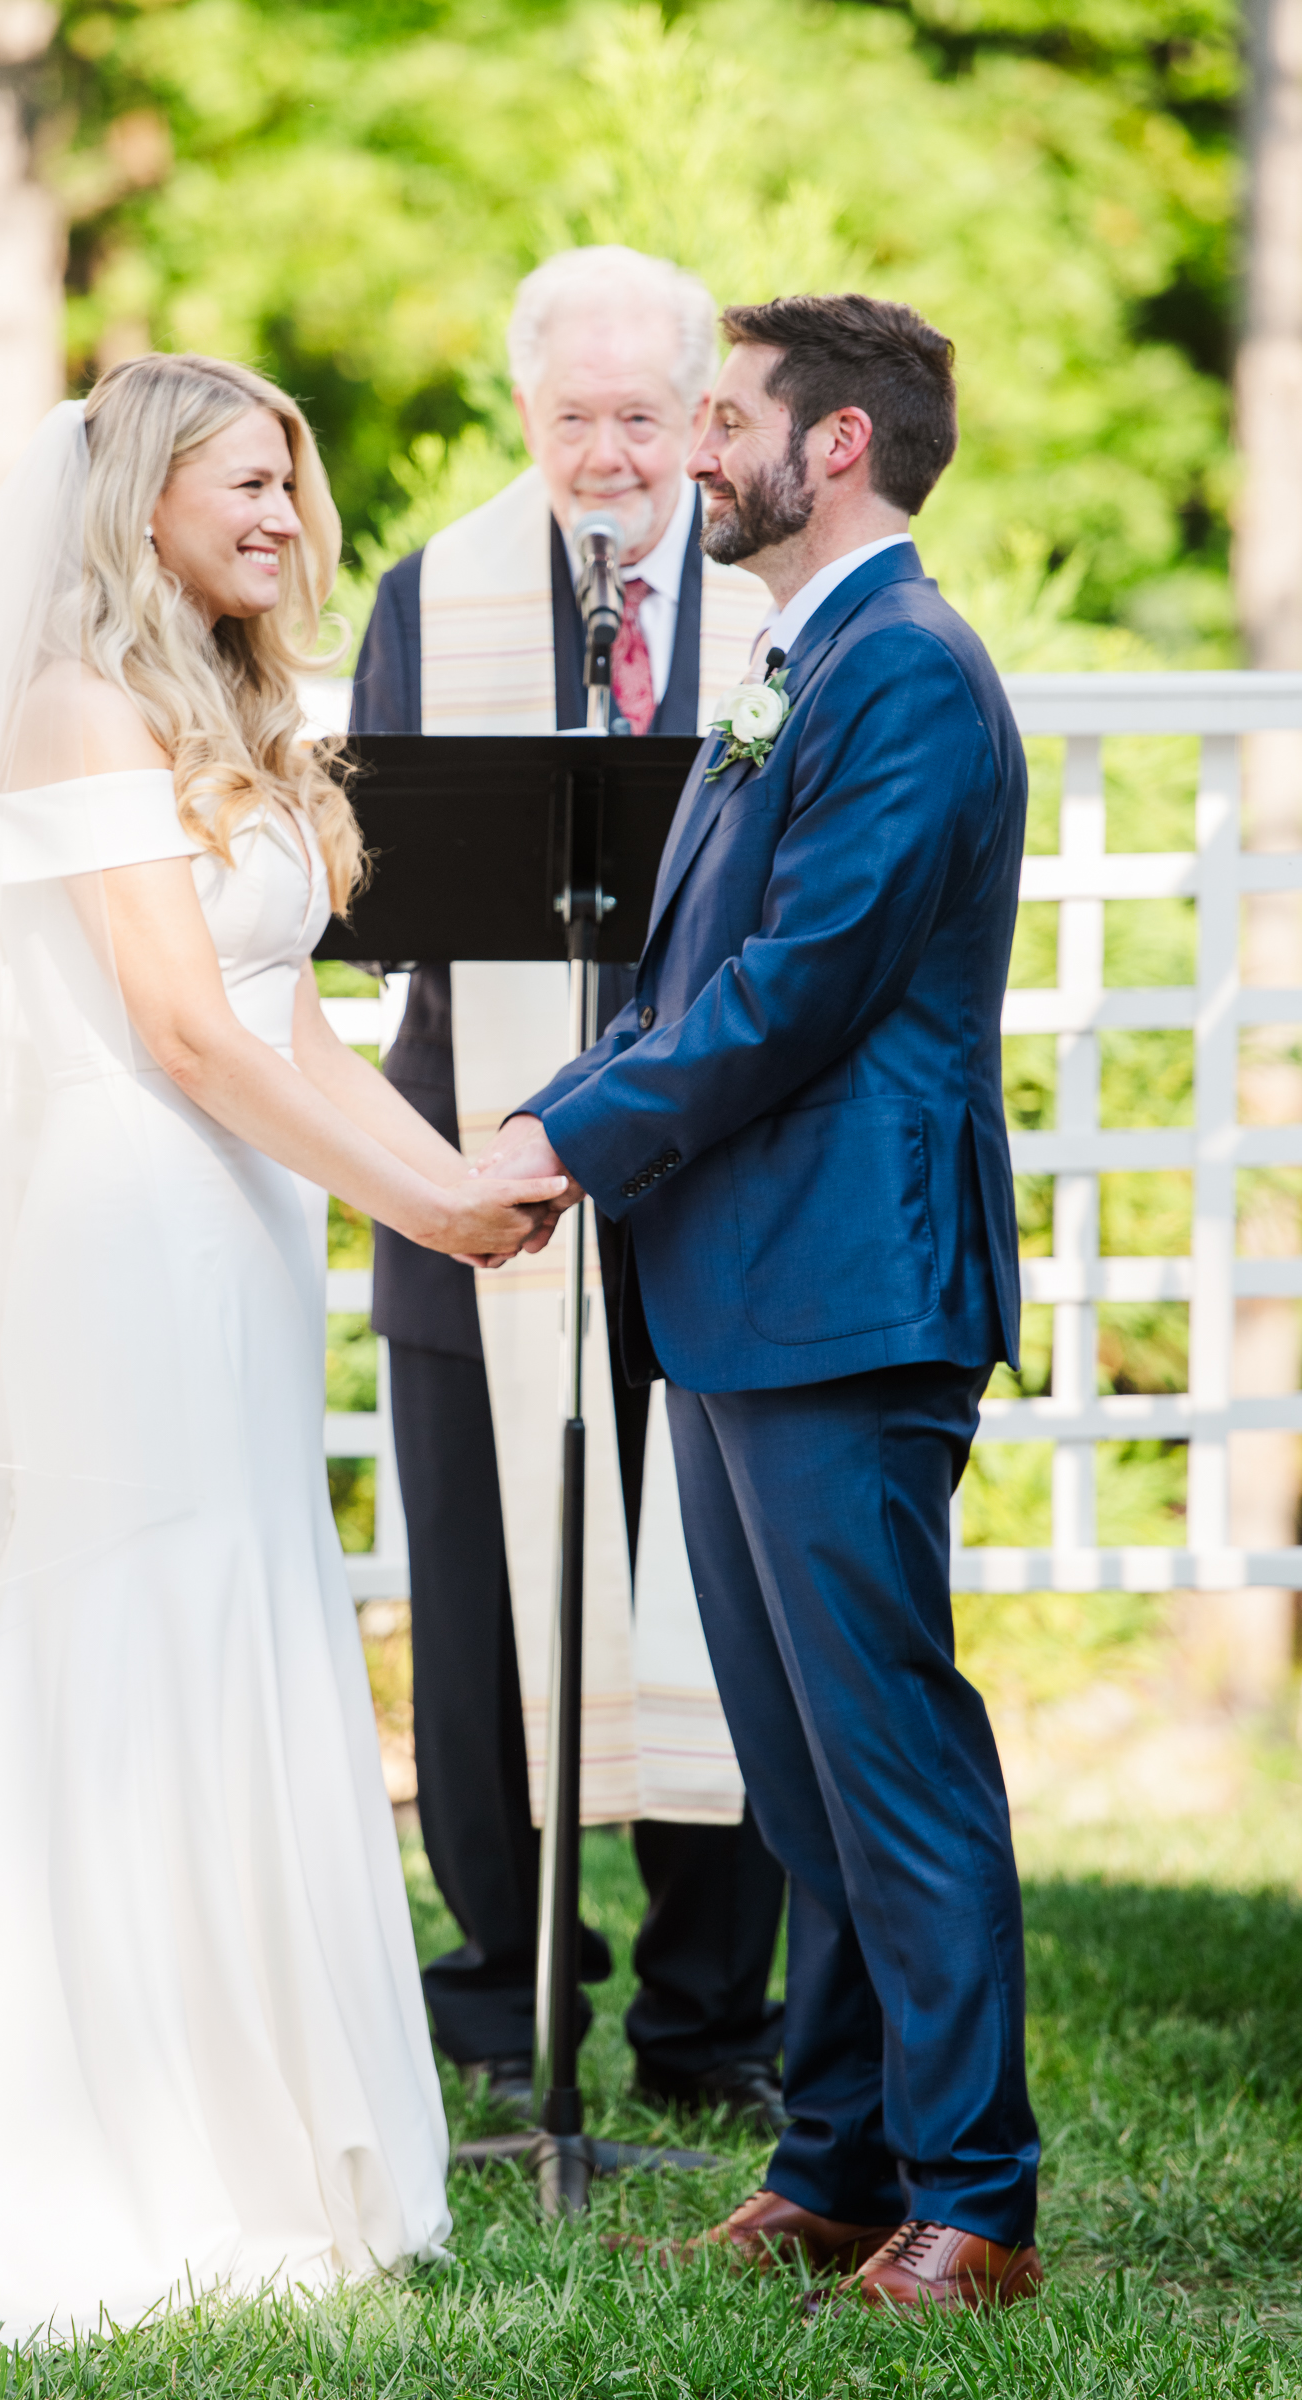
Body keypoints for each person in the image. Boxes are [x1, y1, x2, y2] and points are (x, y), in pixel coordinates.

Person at [0, 355, 566, 2367]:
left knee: (236, 1606)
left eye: (290, 489)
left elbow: (294, 1024)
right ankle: (82, 2122)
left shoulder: (229, 706)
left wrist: (464, 1181)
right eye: (245, 484)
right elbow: (180, 1032)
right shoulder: (73, 700)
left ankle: (247, 2110)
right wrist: (422, 1216)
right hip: (125, 1220)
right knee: (134, 1623)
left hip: (232, 1218)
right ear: (141, 494)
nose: (281, 518)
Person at [476, 294, 1043, 2310]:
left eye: (721, 418)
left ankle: (973, 2199)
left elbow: (790, 992)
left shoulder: (903, 674)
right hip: (740, 1283)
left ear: (834, 450)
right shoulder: (793, 662)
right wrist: (579, 1114)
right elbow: (681, 977)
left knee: (882, 1754)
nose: (690, 450)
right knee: (797, 1772)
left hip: (848, 1290)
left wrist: (550, 1144)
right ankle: (832, 2162)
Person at [353, 246, 787, 2119]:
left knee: (717, 1577)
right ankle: (504, 1993)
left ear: (699, 416)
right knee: (477, 1590)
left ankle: (708, 2018)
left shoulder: (783, 607)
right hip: (481, 1170)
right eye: (571, 414)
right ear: (521, 406)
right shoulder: (425, 598)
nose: (605, 454)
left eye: (640, 415)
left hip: (710, 1179)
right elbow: (372, 896)